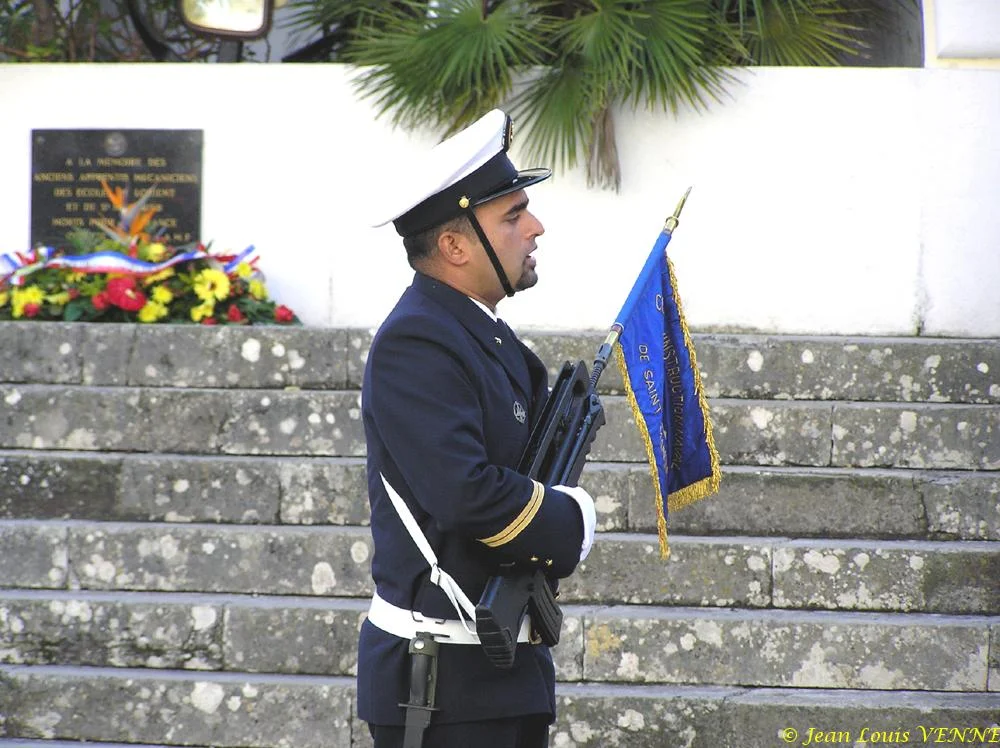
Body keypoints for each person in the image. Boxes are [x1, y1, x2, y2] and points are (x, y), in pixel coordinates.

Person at [357, 108, 597, 748]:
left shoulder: (484, 336)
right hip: (437, 688)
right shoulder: (418, 341)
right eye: (513, 216)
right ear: (456, 245)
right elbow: (469, 495)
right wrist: (572, 519)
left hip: (501, 674)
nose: (536, 227)